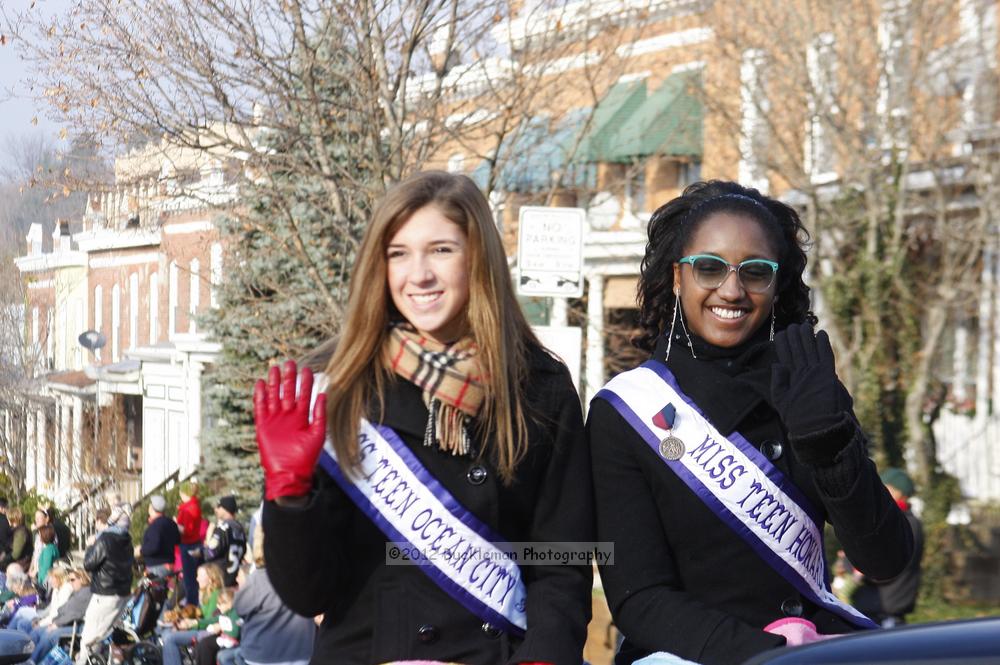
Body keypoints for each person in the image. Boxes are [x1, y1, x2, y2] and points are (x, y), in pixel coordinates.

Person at [255, 171, 593, 664]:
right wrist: (288, 492)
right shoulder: (338, 386)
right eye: (399, 253)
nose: (419, 274)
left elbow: (561, 565)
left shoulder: (539, 387)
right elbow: (309, 595)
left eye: (441, 250)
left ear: (478, 257)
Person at [588, 180, 915, 665]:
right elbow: (641, 599)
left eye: (755, 272)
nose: (732, 289)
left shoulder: (808, 389)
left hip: (815, 646)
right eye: (709, 268)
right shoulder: (625, 411)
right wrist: (771, 656)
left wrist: (830, 447)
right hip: (693, 655)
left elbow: (886, 560)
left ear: (777, 284)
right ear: (677, 277)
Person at [851, 467, 924, 627]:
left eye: (886, 488)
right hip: (878, 606)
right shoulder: (896, 519)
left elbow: (887, 565)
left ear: (900, 492)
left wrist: (855, 566)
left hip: (886, 608)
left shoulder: (907, 523)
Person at [77, 507, 134, 664]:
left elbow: (89, 564)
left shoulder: (105, 539)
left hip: (105, 592)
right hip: (122, 592)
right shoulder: (127, 539)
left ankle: (84, 661)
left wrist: (90, 546)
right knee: (103, 633)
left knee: (89, 637)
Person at [161, 563, 225, 665]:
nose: (197, 579)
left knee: (170, 638)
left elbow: (209, 621)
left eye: (199, 576)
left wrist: (191, 624)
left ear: (210, 578)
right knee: (166, 633)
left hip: (207, 631)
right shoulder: (205, 593)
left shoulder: (216, 595)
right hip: (200, 628)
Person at [29, 570, 92, 664]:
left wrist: (56, 624)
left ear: (82, 579)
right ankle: (26, 657)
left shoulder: (85, 593)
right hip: (67, 622)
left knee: (48, 636)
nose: (70, 582)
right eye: (69, 580)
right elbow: (62, 609)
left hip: (78, 626)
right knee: (37, 631)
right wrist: (54, 622)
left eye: (72, 580)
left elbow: (74, 614)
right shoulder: (77, 591)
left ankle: (32, 661)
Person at [203, 496, 246, 588]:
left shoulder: (224, 528)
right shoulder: (239, 528)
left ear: (225, 509)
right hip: (235, 578)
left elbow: (210, 553)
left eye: (219, 507)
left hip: (220, 578)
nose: (216, 509)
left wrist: (208, 540)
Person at [138, 494, 181, 578]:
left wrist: (141, 550)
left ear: (151, 508)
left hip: (157, 566)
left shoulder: (156, 526)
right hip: (169, 564)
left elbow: (153, 547)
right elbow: (177, 540)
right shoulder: (171, 523)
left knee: (143, 590)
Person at [176, 482, 204, 606]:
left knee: (190, 578)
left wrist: (175, 526)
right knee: (193, 577)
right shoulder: (193, 506)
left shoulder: (189, 509)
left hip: (189, 544)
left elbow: (187, 530)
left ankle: (192, 604)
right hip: (195, 543)